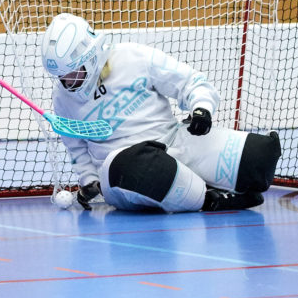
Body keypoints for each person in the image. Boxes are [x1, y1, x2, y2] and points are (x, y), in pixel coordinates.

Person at [39, 12, 282, 214]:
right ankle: (208, 199)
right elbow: (76, 148)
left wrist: (202, 109)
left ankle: (193, 185)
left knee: (260, 156)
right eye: (61, 76)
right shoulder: (62, 98)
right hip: (120, 170)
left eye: (72, 72)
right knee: (136, 165)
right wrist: (90, 180)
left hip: (172, 142)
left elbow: (189, 81)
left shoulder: (133, 56)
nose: (67, 81)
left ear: (90, 56)